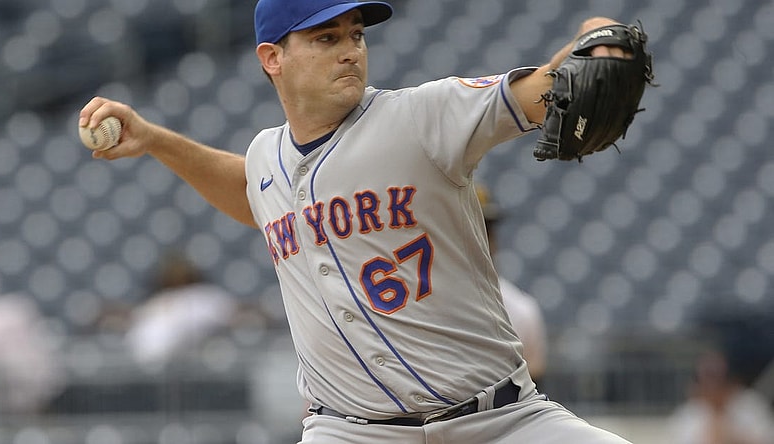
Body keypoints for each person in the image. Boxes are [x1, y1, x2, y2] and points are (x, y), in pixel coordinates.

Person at [79, 1, 636, 442]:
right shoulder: (267, 159)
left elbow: (543, 88)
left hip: (498, 422)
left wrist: (602, 33)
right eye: (326, 38)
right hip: (350, 432)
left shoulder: (420, 115)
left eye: (356, 35)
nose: (349, 50)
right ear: (272, 57)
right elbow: (255, 193)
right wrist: (153, 140)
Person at [476, 184, 548, 382]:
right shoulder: (418, 302)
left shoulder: (521, 310)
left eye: (485, 230)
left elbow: (533, 383)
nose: (477, 240)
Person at [668, 348, 774, 444]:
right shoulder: (689, 413)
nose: (711, 387)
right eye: (706, 379)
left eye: (716, 379)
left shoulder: (750, 405)